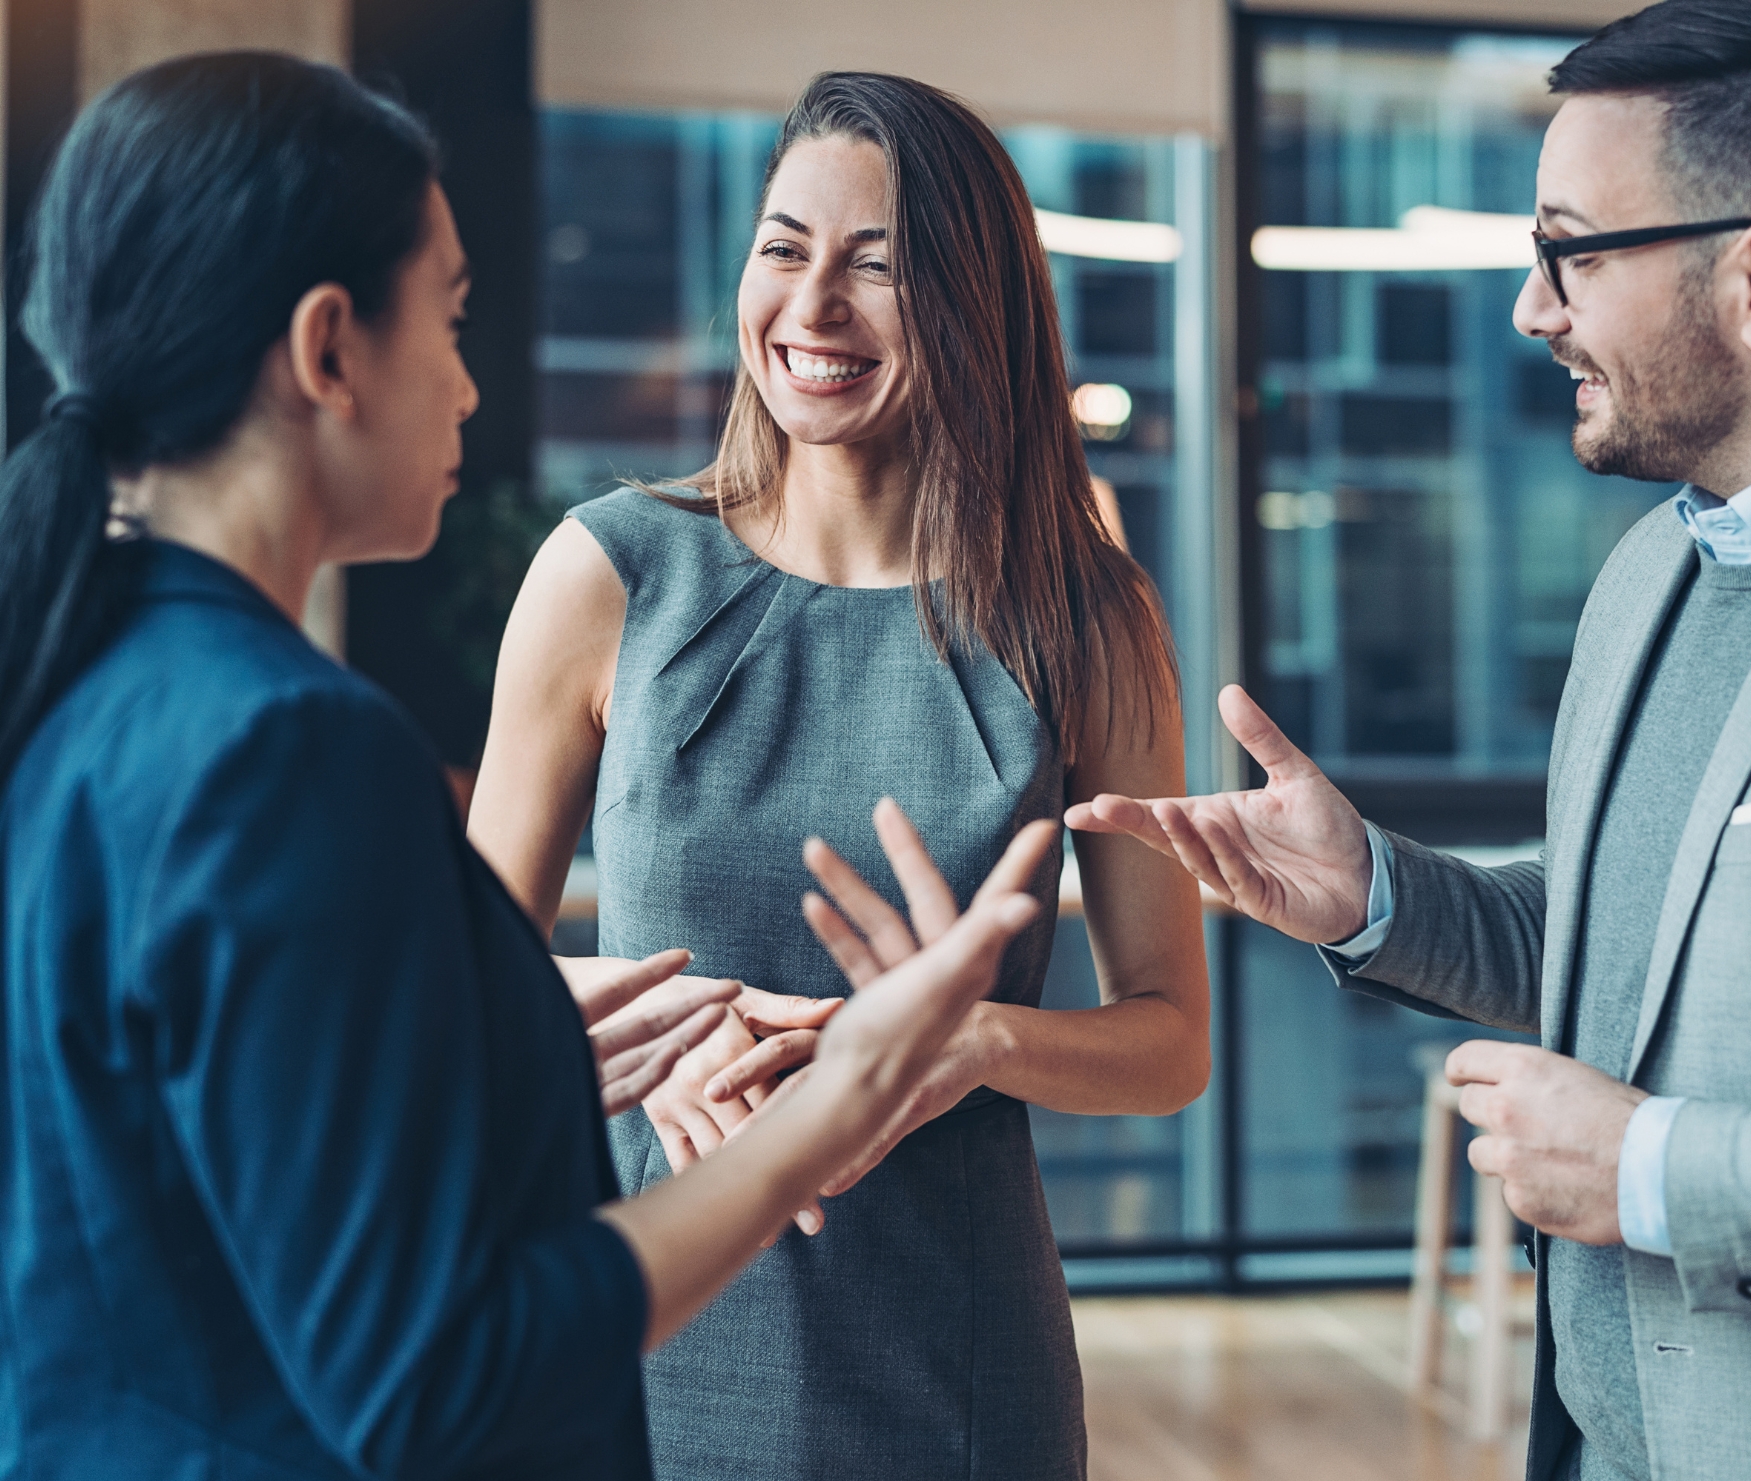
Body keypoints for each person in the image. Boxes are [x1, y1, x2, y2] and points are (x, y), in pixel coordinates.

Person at [0, 51, 1054, 1480]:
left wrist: (528, 1033)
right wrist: (835, 1106)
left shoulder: (74, 673)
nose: (469, 384)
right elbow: (436, 1376)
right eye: (448, 317)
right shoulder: (289, 744)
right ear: (328, 351)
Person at [1071, 3, 1751, 1479]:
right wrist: (1376, 888)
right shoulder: (1652, 575)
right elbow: (1639, 945)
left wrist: (1652, 1173)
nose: (1533, 308)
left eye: (1573, 250)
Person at [469, 71, 1210, 1481]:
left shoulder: (1085, 615)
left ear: (976, 304)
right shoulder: (608, 574)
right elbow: (455, 995)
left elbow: (1172, 1036)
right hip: (644, 1328)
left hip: (958, 1359)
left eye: (878, 268)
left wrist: (975, 1040)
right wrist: (631, 1030)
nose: (812, 308)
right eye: (784, 247)